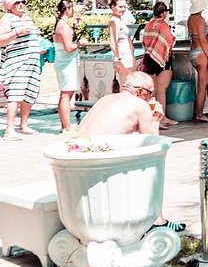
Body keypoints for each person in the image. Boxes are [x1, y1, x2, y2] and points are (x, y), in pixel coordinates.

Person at [79, 71, 184, 233]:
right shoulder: (140, 105)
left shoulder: (105, 99)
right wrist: (155, 121)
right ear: (141, 91)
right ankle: (158, 221)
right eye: (150, 93)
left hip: (80, 155)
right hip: (101, 163)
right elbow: (153, 147)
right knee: (153, 167)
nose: (150, 97)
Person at [0, 0, 43, 139]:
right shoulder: (7, 19)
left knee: (29, 93)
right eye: (17, 3)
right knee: (15, 94)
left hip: (32, 63)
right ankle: (9, 129)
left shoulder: (26, 17)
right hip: (16, 63)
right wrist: (16, 33)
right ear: (10, 5)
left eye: (22, 2)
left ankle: (24, 125)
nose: (21, 5)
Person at [141, 1, 178, 127]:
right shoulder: (163, 25)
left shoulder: (148, 25)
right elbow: (169, 41)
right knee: (162, 89)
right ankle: (162, 118)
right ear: (163, 13)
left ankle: (152, 118)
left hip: (149, 58)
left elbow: (144, 42)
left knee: (153, 90)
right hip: (162, 59)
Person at [52, 0, 82, 132]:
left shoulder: (62, 24)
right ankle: (66, 126)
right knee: (66, 95)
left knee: (66, 94)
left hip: (66, 62)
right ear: (67, 9)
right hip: (66, 63)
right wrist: (80, 44)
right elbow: (68, 47)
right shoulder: (63, 26)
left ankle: (66, 124)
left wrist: (74, 28)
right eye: (72, 8)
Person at [107, 0, 135, 89]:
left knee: (129, 86)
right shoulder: (114, 21)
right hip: (123, 57)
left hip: (127, 56)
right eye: (120, 7)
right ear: (113, 7)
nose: (123, 9)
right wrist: (119, 59)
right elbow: (112, 42)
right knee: (126, 87)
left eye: (124, 7)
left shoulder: (118, 20)